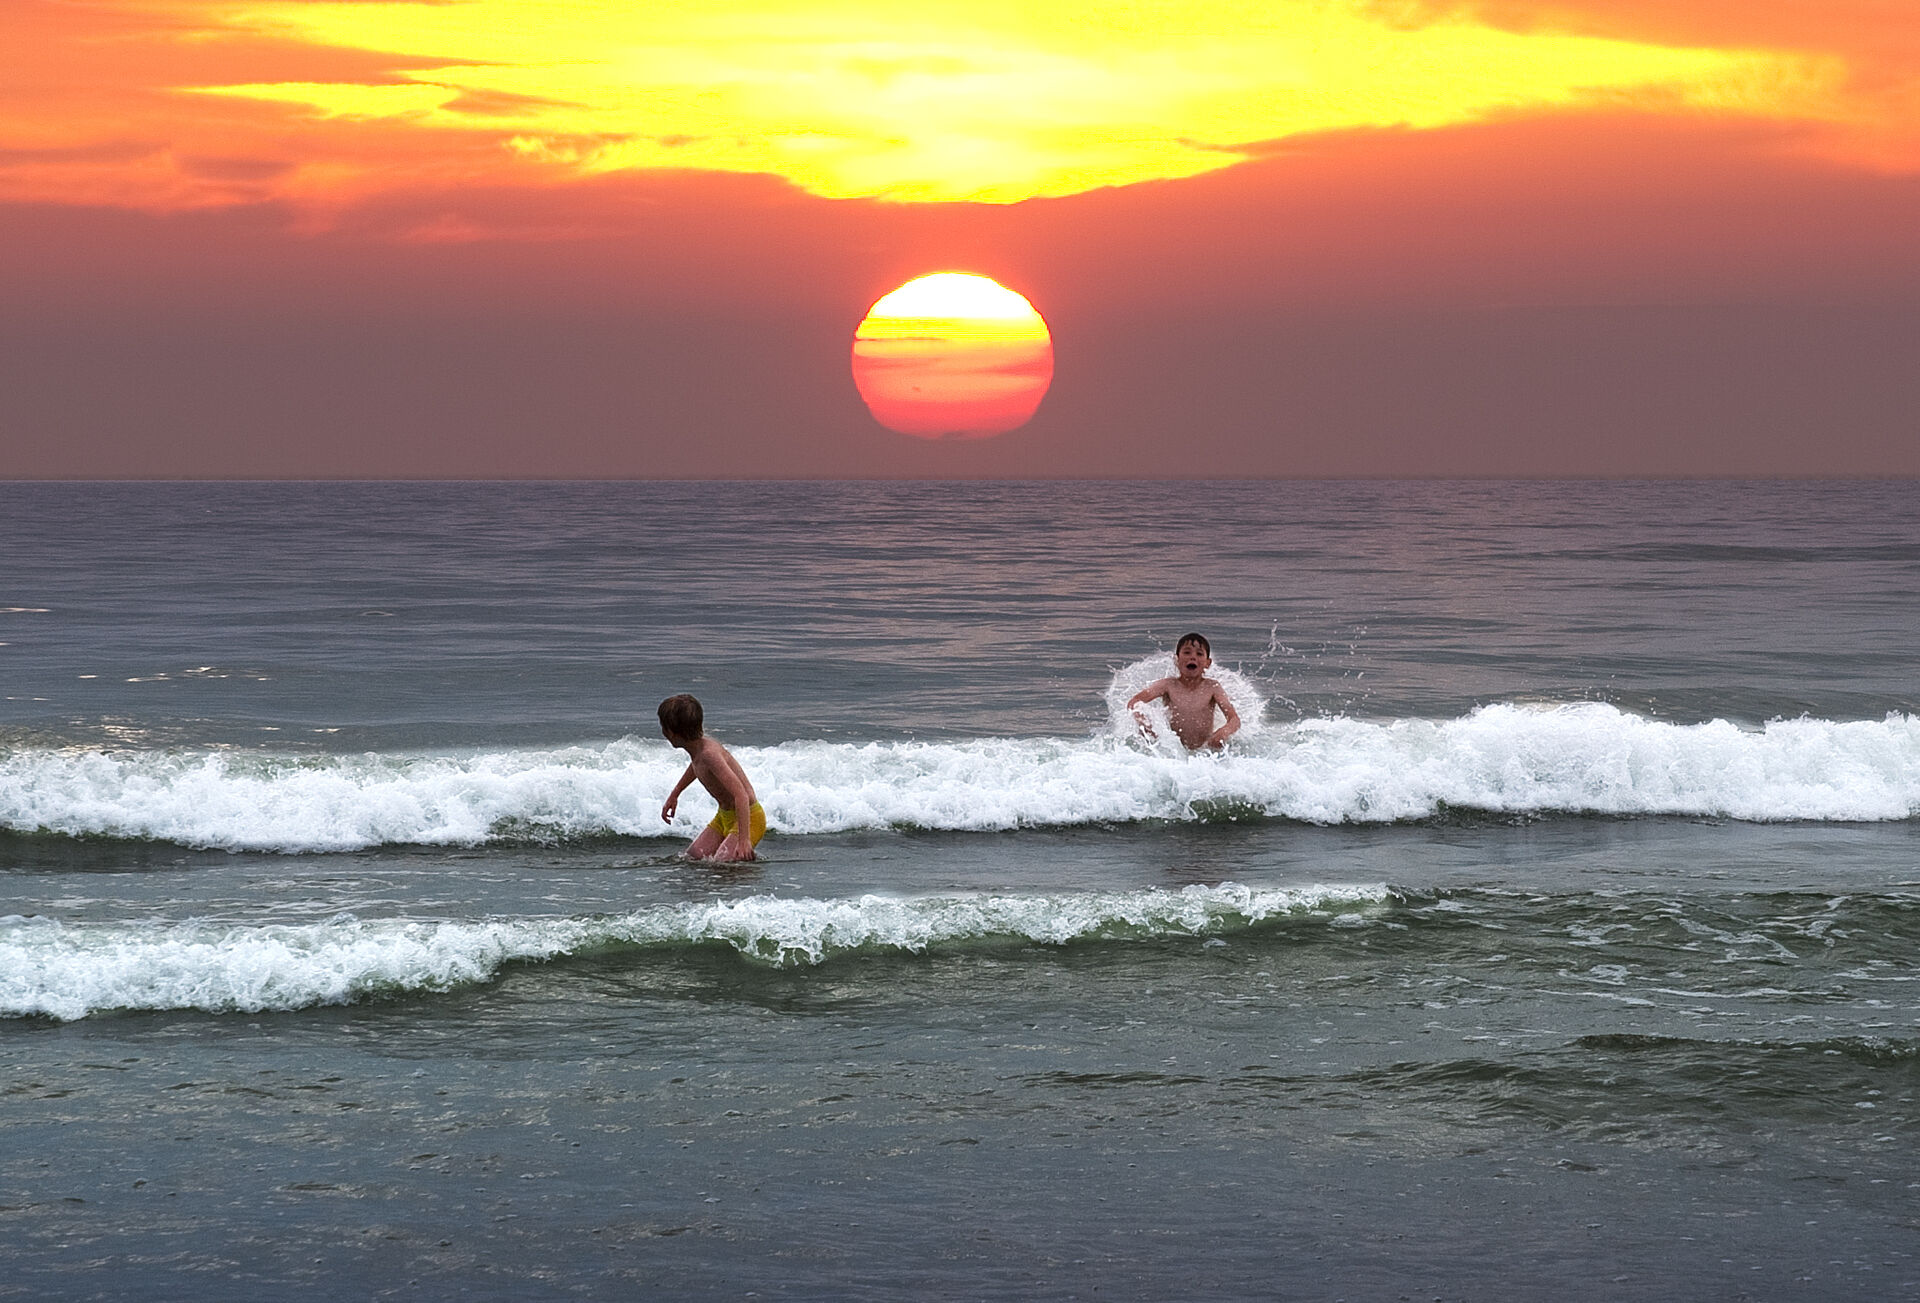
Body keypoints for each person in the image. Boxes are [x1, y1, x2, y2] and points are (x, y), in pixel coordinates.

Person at [658, 694, 764, 861]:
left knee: (723, 864)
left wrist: (744, 840)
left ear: (671, 733)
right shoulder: (699, 751)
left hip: (749, 818)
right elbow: (696, 766)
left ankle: (748, 869)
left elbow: (741, 794)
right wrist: (675, 793)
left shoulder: (709, 754)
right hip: (723, 817)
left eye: (663, 727)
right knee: (693, 858)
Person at [1127, 632, 1241, 751]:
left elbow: (1234, 720)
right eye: (1187, 652)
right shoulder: (1168, 685)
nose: (1193, 657)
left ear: (1207, 663)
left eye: (1199, 654)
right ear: (1176, 660)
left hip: (1205, 752)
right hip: (1174, 751)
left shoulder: (1212, 687)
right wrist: (1145, 723)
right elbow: (1134, 702)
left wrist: (1223, 733)